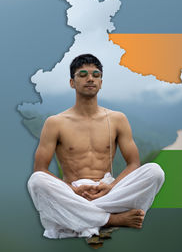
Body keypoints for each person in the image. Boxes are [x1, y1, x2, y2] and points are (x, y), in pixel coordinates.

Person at [27, 54, 165, 239]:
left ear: (101, 82)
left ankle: (79, 217)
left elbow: (133, 164)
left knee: (155, 171)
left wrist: (112, 186)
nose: (90, 79)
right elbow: (41, 169)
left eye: (96, 74)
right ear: (72, 82)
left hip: (109, 191)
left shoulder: (117, 119)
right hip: (73, 193)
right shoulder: (55, 123)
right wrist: (72, 191)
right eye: (83, 74)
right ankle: (112, 219)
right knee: (36, 181)